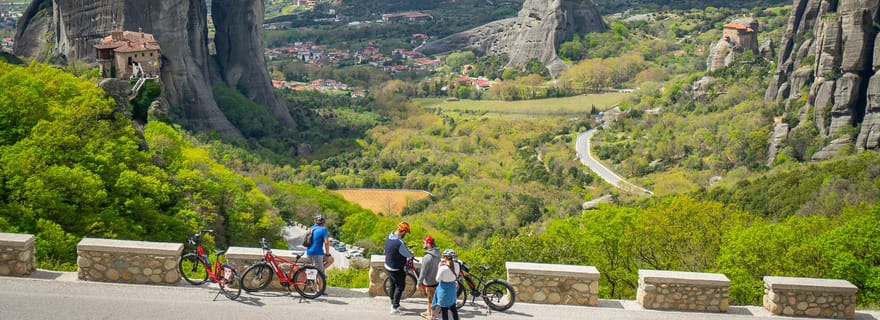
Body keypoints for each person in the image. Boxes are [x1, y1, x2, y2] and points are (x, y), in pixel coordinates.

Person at [384, 221, 414, 315]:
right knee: (400, 287)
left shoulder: (389, 236)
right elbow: (407, 254)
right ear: (403, 232)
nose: (405, 235)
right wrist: (411, 253)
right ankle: (395, 308)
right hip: (396, 268)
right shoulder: (399, 242)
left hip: (388, 266)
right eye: (406, 233)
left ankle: (393, 303)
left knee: (392, 285)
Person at [433, 249, 460, 320]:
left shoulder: (443, 268)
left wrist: (439, 267)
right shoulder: (457, 265)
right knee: (453, 308)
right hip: (452, 289)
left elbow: (437, 279)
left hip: (444, 290)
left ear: (445, 257)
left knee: (444, 310)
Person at [417, 236, 440, 319]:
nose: (423, 244)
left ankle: (431, 315)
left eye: (424, 243)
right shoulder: (438, 254)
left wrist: (419, 283)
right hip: (437, 280)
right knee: (433, 298)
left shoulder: (427, 257)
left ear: (429, 244)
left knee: (430, 300)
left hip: (430, 281)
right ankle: (428, 311)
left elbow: (423, 272)